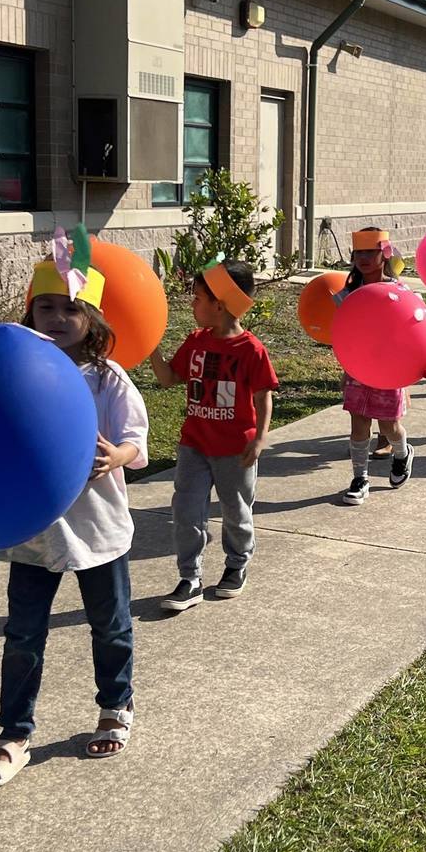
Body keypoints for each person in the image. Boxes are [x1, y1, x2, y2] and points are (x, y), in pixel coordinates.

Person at [0, 232, 149, 788]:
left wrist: (117, 455)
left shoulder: (107, 377)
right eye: (45, 307)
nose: (57, 317)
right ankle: (13, 735)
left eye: (71, 308)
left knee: (111, 626)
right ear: (30, 314)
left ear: (91, 319)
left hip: (97, 529)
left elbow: (137, 442)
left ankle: (115, 706)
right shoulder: (13, 372)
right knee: (23, 635)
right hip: (33, 533)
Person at [150, 259, 278, 612]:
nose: (192, 304)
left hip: (236, 449)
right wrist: (150, 345)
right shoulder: (195, 342)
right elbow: (168, 379)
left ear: (219, 305)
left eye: (197, 298)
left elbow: (263, 396)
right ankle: (190, 578)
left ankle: (237, 564)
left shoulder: (251, 349)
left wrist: (260, 438)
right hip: (194, 444)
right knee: (186, 511)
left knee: (236, 511)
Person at [336, 228, 414, 505]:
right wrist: (346, 368)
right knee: (359, 423)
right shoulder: (348, 294)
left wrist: (406, 375)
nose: (364, 258)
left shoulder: (399, 291)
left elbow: (411, 332)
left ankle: (402, 453)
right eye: (359, 252)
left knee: (389, 426)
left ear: (385, 254)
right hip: (359, 368)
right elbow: (343, 335)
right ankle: (360, 479)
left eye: (371, 252)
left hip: (389, 369)